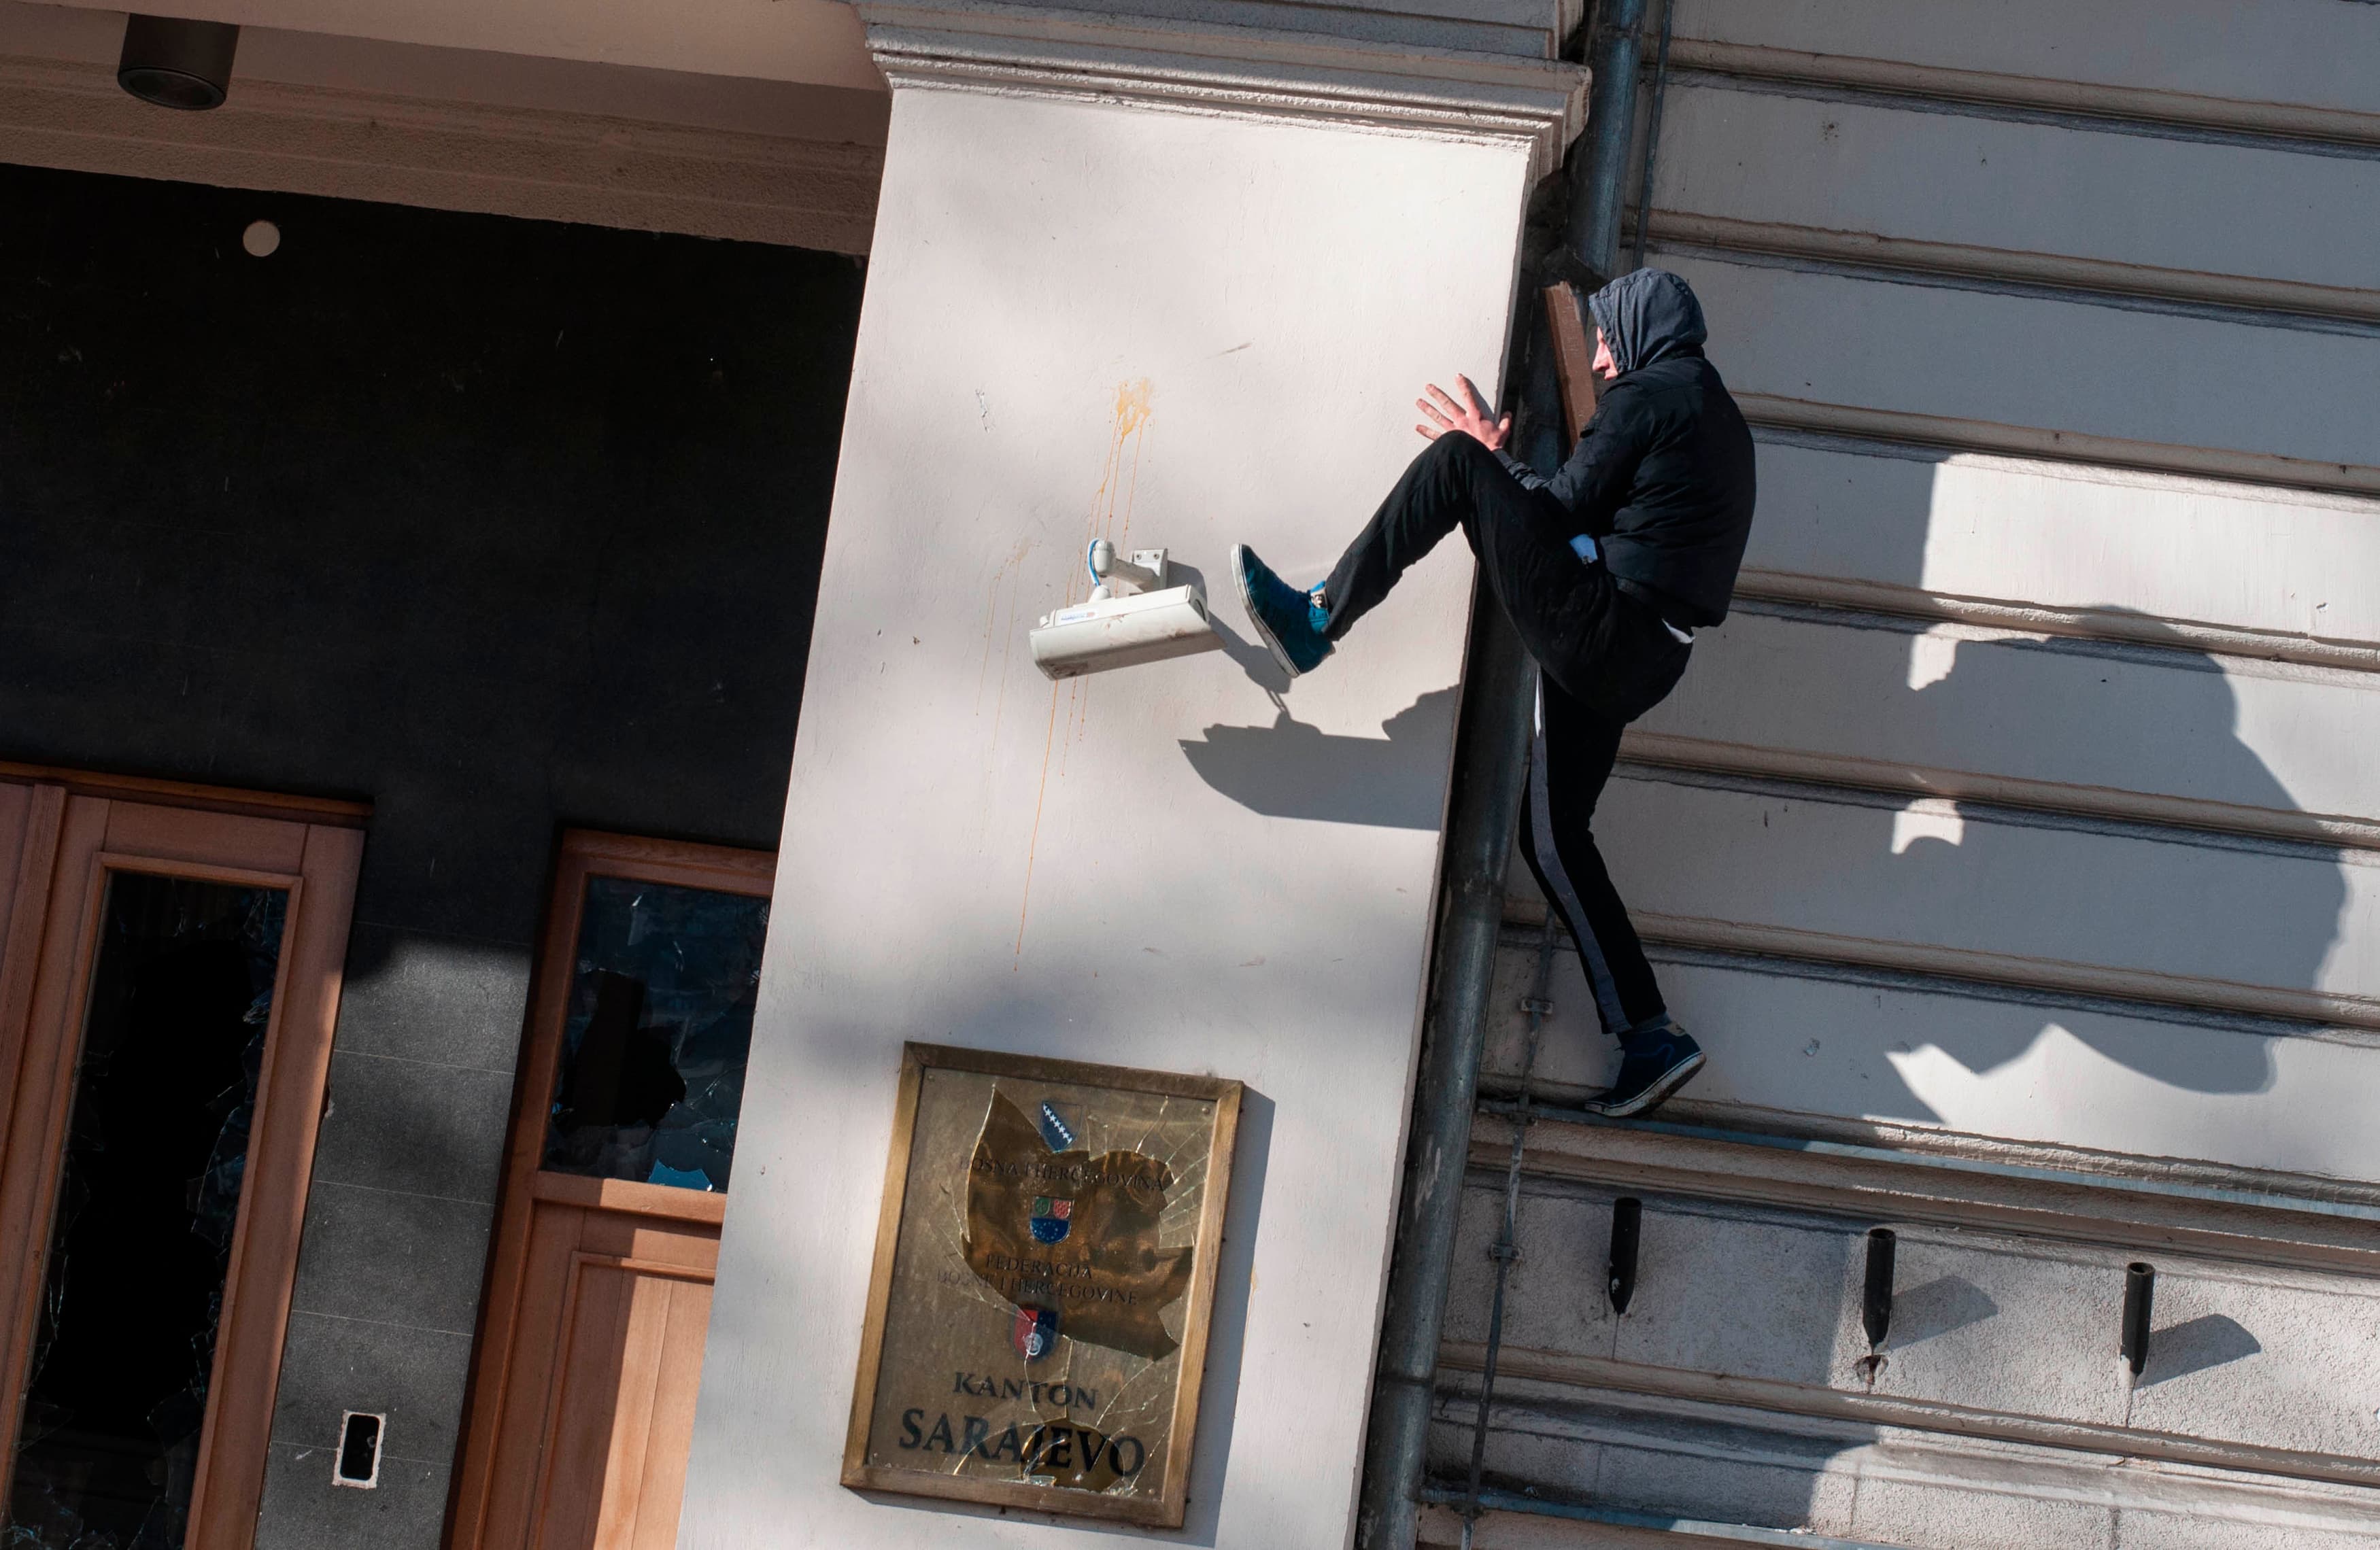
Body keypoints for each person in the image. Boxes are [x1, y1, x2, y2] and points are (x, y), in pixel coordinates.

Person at [1231, 267, 1755, 1118]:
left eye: (1602, 339)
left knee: (1452, 463)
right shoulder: (1719, 421)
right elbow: (1605, 521)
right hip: (1650, 653)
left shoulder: (1647, 397)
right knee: (1550, 835)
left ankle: (1316, 620)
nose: (1596, 358)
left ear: (1630, 336)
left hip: (1603, 626)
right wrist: (1514, 479)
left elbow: (1558, 511)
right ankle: (1650, 1036)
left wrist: (1489, 460)